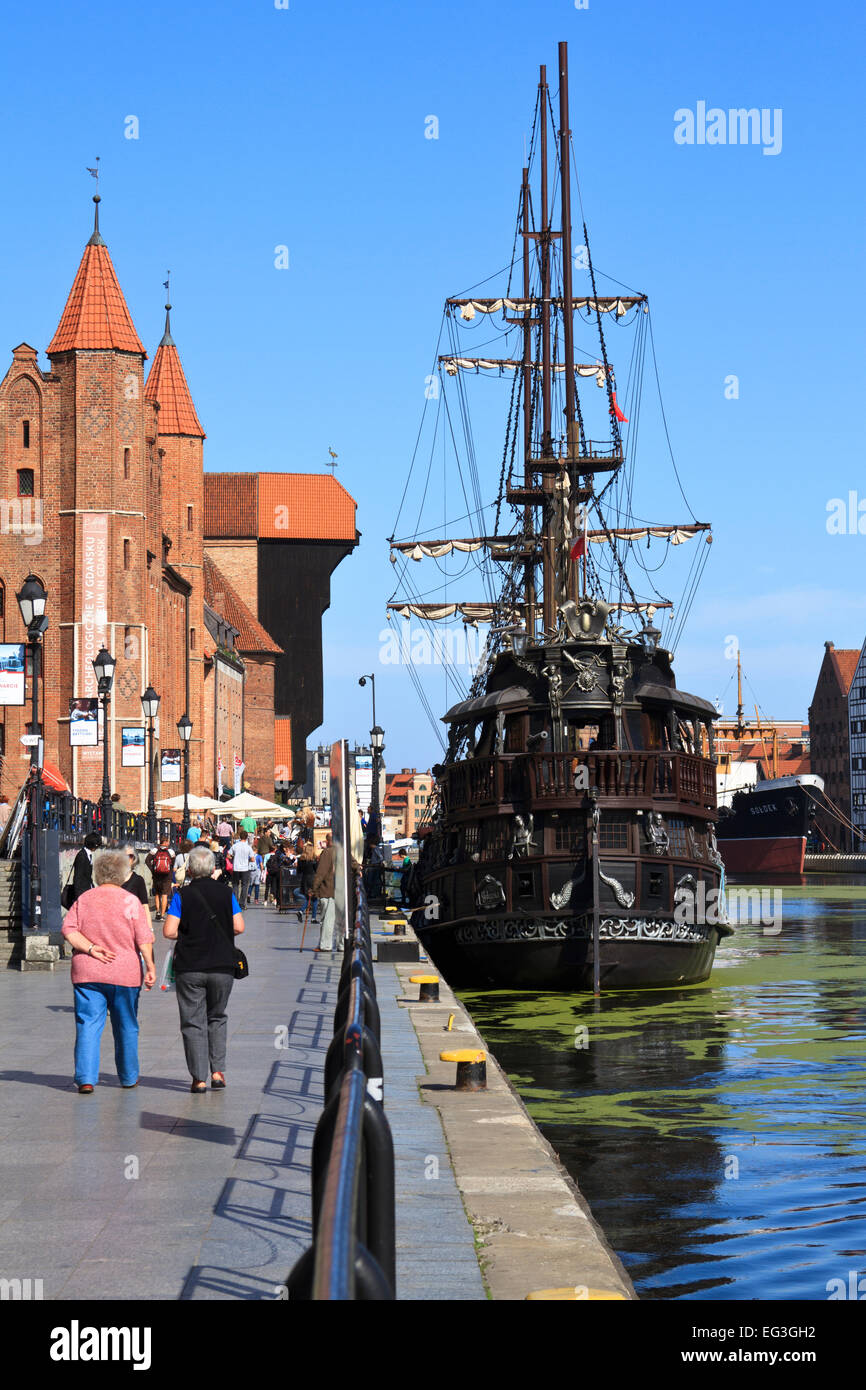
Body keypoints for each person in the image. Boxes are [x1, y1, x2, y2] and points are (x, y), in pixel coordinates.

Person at [61, 848, 156, 1093]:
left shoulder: (85, 899)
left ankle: (86, 1079)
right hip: (124, 972)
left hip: (87, 972)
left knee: (88, 1025)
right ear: (124, 874)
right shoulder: (130, 901)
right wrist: (150, 965)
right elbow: (143, 937)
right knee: (126, 1025)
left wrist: (91, 949)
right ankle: (128, 1076)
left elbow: (68, 929)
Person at [163, 844, 245, 1093]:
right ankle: (217, 1072)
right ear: (212, 869)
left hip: (191, 967)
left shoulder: (182, 895)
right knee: (217, 1017)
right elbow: (239, 926)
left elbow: (168, 931)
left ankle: (199, 1078)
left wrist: (189, 932)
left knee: (192, 1021)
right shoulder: (226, 893)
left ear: (190, 869)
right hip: (222, 966)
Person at [312, 833, 336, 955]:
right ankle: (342, 944)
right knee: (340, 920)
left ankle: (325, 945)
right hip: (341, 891)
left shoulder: (327, 852)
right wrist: (358, 869)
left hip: (328, 890)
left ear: (328, 841)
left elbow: (320, 873)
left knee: (327, 919)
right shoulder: (343, 851)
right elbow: (353, 863)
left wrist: (313, 888)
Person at [146, 836, 175, 921]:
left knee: (157, 894)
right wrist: (169, 870)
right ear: (165, 842)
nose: (169, 843)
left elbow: (147, 861)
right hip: (167, 876)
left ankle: (158, 911)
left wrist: (153, 870)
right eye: (168, 841)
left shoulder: (154, 850)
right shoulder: (171, 851)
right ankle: (162, 915)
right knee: (165, 895)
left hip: (156, 875)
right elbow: (173, 863)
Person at [70, 832, 102, 906]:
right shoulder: (82, 856)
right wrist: (79, 897)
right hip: (82, 893)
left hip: (87, 891)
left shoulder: (87, 855)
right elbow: (78, 877)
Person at [123, 847, 152, 930]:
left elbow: (145, 906)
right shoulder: (112, 879)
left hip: (132, 927)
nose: (126, 858)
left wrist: (150, 929)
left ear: (134, 859)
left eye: (130, 856)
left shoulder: (138, 880)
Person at [230, 828, 254, 910]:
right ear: (247, 837)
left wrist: (234, 857)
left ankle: (235, 903)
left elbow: (228, 855)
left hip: (236, 867)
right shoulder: (248, 847)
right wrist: (247, 859)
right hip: (245, 868)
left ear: (240, 837)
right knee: (244, 886)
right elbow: (253, 859)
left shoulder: (235, 846)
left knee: (235, 885)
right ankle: (242, 904)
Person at [295, 841, 319, 924]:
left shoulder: (301, 859)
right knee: (315, 899)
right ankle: (313, 918)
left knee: (307, 898)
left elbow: (299, 871)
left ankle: (301, 911)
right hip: (312, 880)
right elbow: (317, 870)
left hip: (304, 880)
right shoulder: (314, 859)